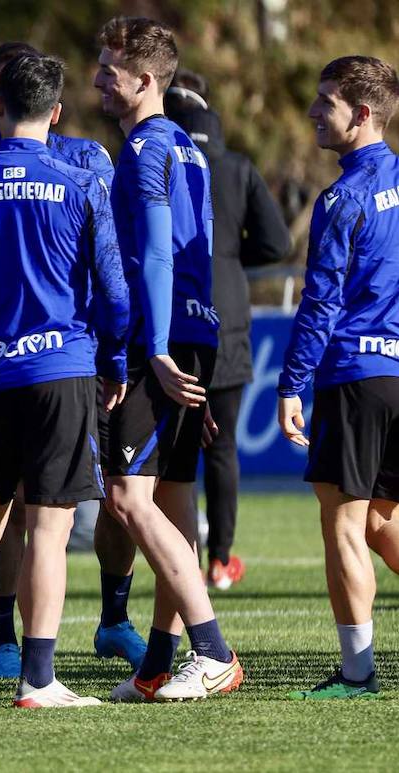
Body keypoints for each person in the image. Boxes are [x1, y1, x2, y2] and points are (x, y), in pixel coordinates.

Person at [0, 54, 128, 709]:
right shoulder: (80, 182)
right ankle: (37, 679)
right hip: (60, 371)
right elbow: (114, 292)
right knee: (49, 527)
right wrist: (120, 365)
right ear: (56, 111)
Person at [94, 16, 245, 702]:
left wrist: (151, 346)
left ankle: (212, 650)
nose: (99, 77)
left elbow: (157, 250)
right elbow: (202, 247)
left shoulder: (146, 149)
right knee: (173, 500)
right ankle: (157, 662)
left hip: (161, 337)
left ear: (146, 80)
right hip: (195, 331)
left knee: (127, 496)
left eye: (109, 69)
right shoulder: (189, 146)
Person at [278, 55, 399, 700]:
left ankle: (356, 674)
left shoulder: (344, 196)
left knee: (345, 526)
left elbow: (321, 302)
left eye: (326, 102)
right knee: (380, 521)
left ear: (363, 113)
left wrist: (293, 383)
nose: (313, 113)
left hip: (356, 373)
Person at [165, 72, 292, 590]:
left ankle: (180, 561)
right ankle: (220, 561)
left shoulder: (154, 157)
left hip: (169, 320)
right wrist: (231, 256)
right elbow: (278, 243)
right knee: (222, 450)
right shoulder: (237, 167)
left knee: (171, 457)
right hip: (228, 318)